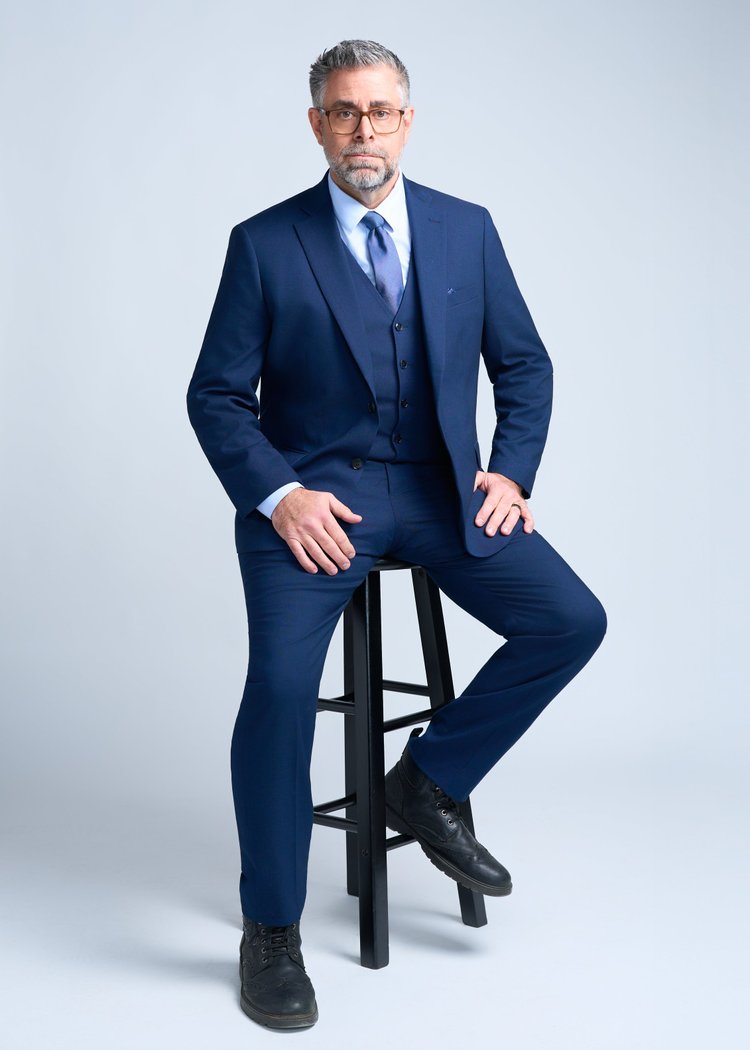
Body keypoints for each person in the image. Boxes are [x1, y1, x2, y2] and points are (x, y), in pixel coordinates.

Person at [186, 39, 607, 1031]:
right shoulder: (265, 242)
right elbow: (216, 395)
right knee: (280, 691)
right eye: (343, 111)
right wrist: (280, 495)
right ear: (317, 125)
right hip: (318, 505)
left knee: (571, 621)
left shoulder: (467, 229)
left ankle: (425, 781)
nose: (362, 129)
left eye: (379, 111)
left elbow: (525, 366)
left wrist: (511, 471)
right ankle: (272, 930)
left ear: (407, 121)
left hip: (441, 493)